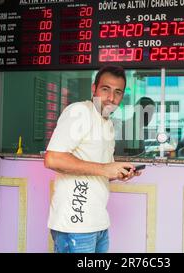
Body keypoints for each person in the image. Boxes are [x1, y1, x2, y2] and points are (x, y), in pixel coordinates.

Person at [44, 65, 141, 253]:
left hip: (98, 222)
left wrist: (117, 173)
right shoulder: (79, 112)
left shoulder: (108, 123)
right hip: (75, 225)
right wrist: (106, 169)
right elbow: (53, 159)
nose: (111, 98)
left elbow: (100, 169)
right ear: (94, 88)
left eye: (117, 92)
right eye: (105, 89)